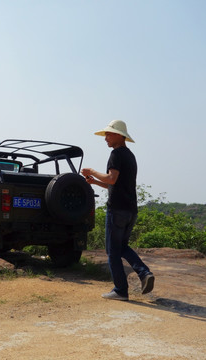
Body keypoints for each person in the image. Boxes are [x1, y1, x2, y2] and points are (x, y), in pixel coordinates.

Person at [81, 120, 154, 301]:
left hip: (117, 210)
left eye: (109, 134)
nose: (106, 138)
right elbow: (115, 184)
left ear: (119, 136)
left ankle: (120, 291)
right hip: (131, 210)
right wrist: (96, 182)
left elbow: (111, 179)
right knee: (121, 247)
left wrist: (92, 171)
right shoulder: (130, 156)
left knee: (112, 251)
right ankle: (144, 273)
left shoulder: (116, 154)